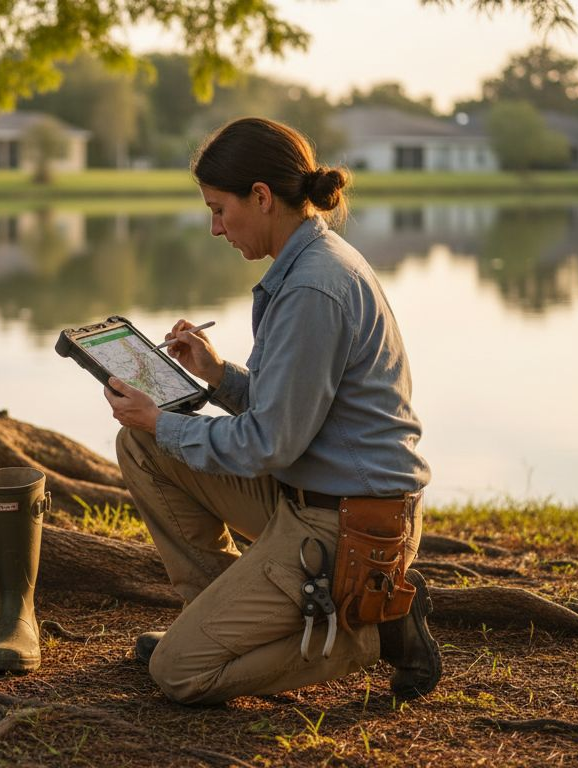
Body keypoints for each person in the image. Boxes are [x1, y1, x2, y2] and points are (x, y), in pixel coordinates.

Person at [103, 117, 439, 705]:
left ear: (260, 197)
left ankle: (370, 638)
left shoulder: (313, 287)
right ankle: (211, 619)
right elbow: (294, 409)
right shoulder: (309, 263)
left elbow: (269, 443)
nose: (214, 229)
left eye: (218, 209)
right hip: (307, 495)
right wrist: (216, 374)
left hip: (348, 526)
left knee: (179, 674)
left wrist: (163, 419)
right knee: (143, 446)